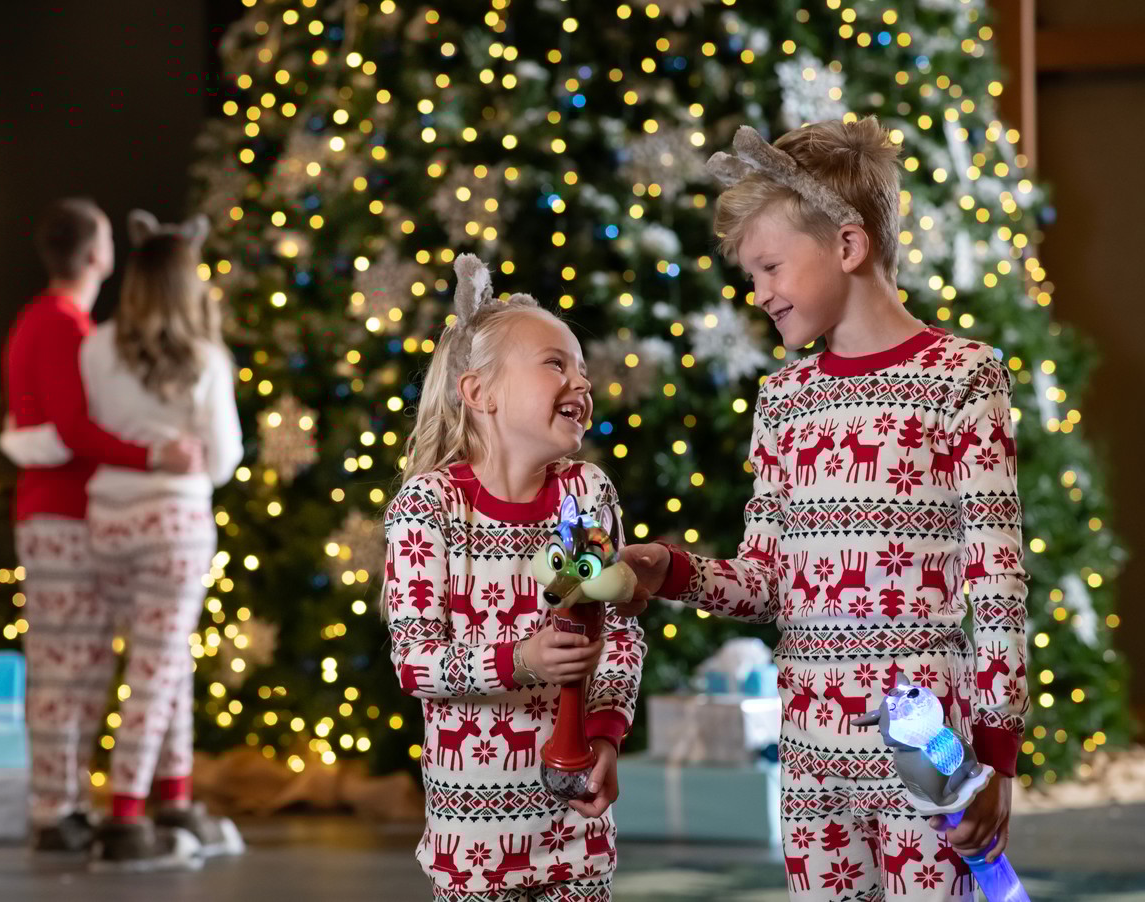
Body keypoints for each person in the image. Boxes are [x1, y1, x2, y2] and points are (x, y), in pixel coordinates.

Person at [623, 119, 1028, 901]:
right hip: (810, 767)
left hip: (930, 761)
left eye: (771, 267)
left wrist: (997, 759)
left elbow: (999, 586)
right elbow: (766, 584)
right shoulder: (783, 401)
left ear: (848, 246)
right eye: (752, 275)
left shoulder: (962, 379)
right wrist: (671, 571)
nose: (759, 294)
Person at [384, 254, 645, 901]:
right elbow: (415, 663)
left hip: (576, 835)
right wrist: (522, 661)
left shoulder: (585, 494)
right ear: (480, 394)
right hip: (473, 846)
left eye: (581, 369)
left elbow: (619, 634)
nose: (581, 381)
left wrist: (607, 736)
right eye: (556, 363)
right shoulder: (430, 507)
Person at [1, 210, 244, 870]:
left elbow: (64, 424)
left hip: (98, 519)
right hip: (74, 520)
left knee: (145, 665)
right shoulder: (66, 328)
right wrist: (158, 456)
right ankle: (95, 813)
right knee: (92, 668)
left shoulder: (88, 338)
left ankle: (162, 799)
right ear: (94, 255)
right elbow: (75, 430)